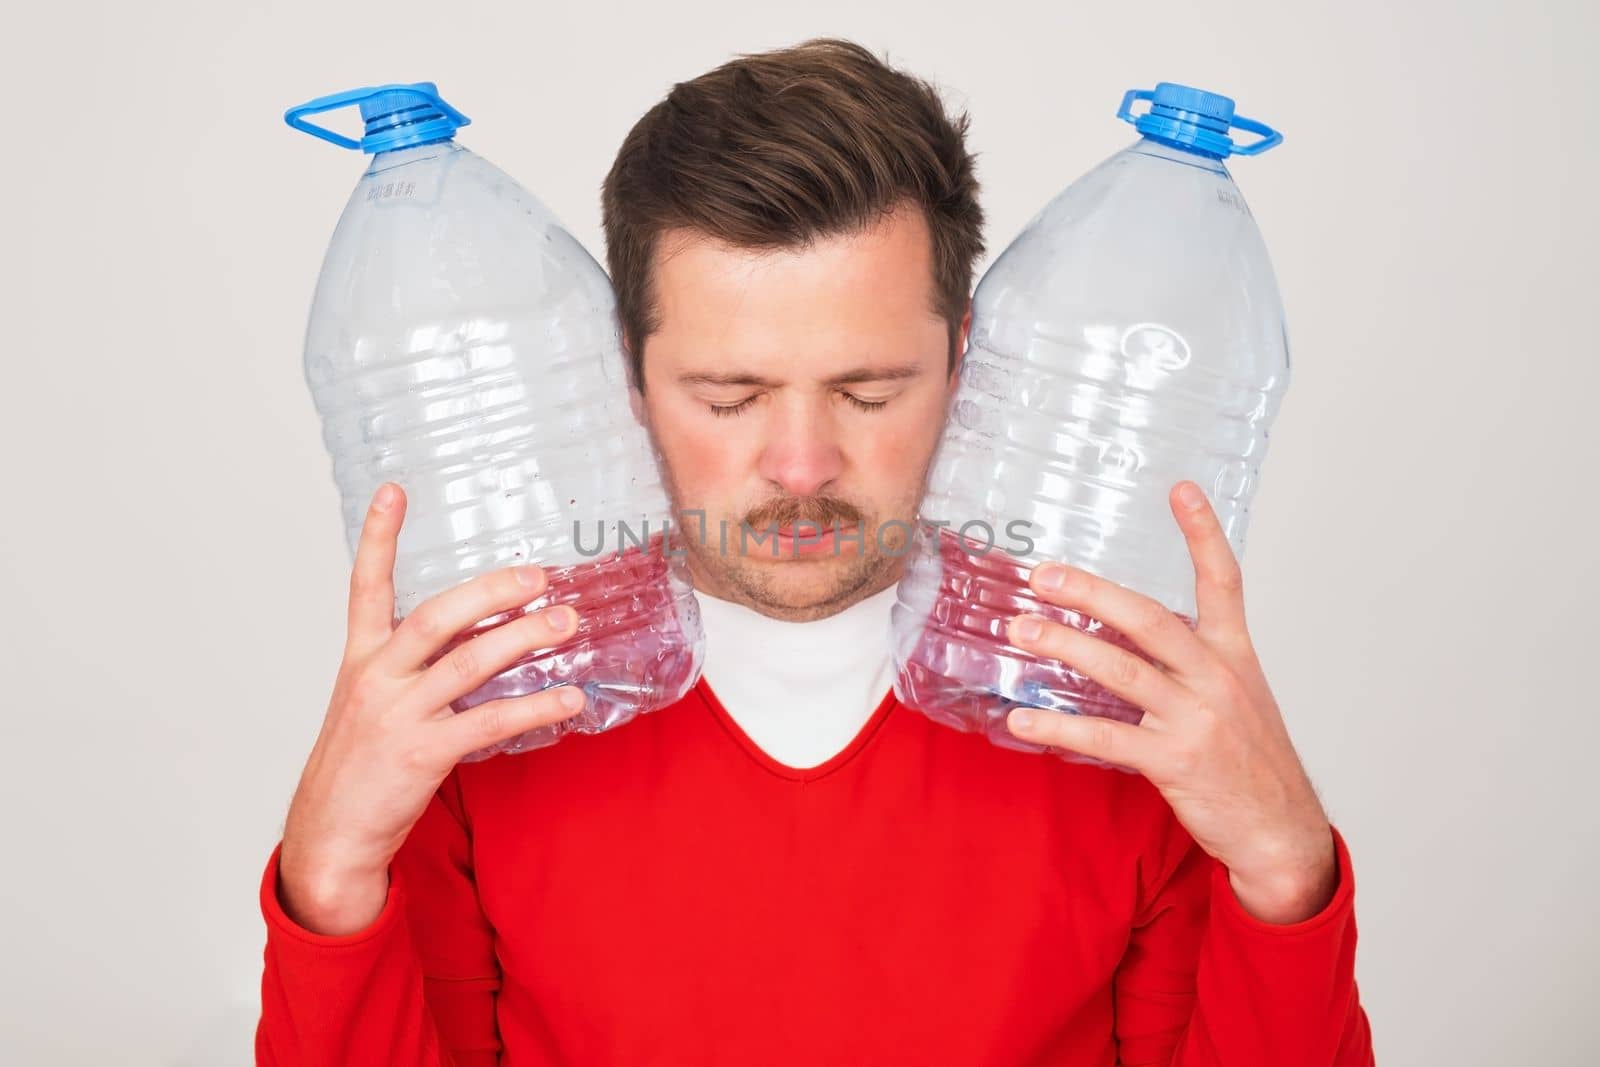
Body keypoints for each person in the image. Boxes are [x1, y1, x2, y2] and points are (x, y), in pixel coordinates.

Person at [255, 38, 1375, 1066]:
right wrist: (331, 874)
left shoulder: (1123, 724)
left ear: (973, 361)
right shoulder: (488, 719)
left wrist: (1284, 868)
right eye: (729, 394)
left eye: (867, 389)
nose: (801, 464)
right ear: (623, 376)